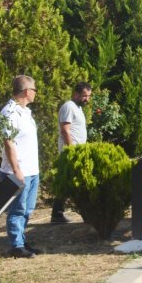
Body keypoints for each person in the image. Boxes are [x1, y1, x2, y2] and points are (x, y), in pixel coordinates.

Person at [0, 75, 40, 258]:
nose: (36, 93)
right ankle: (16, 245)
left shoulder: (26, 112)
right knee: (17, 209)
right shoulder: (9, 112)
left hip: (32, 171)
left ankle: (22, 241)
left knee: (28, 209)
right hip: (17, 171)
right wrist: (16, 170)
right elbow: (8, 143)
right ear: (26, 91)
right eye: (34, 90)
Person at [52, 82, 92, 223]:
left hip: (77, 152)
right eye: (84, 96)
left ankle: (57, 214)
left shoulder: (78, 108)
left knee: (68, 183)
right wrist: (72, 151)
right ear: (75, 94)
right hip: (71, 152)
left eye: (88, 96)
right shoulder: (69, 107)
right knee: (75, 183)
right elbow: (65, 130)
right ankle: (86, 213)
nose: (87, 99)